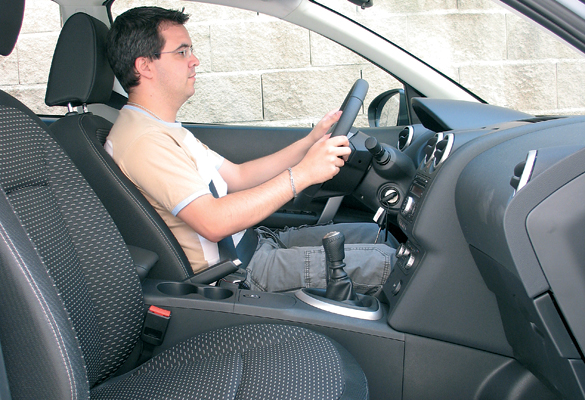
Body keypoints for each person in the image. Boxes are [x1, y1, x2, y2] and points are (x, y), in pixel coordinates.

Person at [105, 6, 397, 294]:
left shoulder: (162, 128)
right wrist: (304, 174)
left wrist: (309, 142)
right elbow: (213, 222)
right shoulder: (144, 141)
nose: (195, 60)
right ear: (145, 66)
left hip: (251, 245)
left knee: (376, 236)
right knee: (387, 264)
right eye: (182, 52)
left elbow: (239, 176)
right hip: (237, 274)